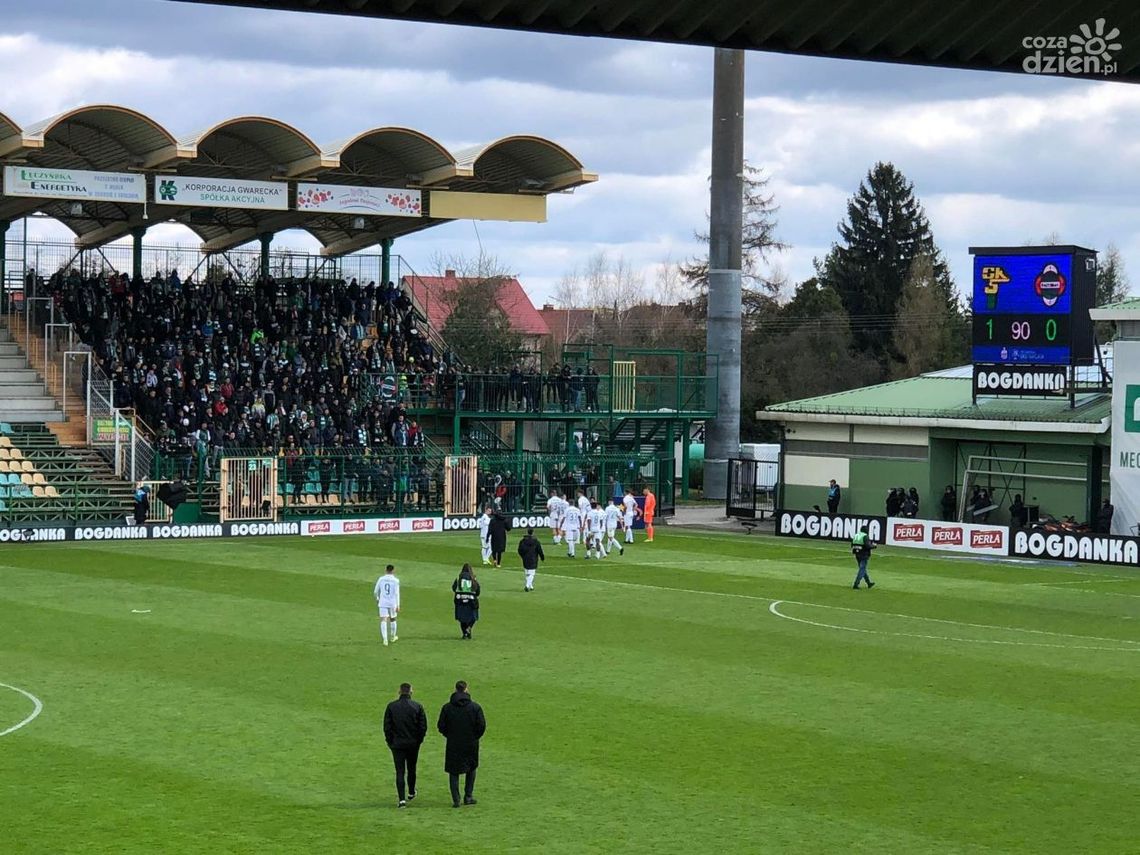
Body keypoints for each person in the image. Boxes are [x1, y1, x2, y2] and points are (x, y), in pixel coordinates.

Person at [437, 680, 486, 808]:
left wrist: (450, 735)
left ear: (455, 689)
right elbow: (481, 726)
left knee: (454, 771)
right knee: (471, 768)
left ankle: (456, 799)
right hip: (471, 743)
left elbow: (441, 725)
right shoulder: (475, 707)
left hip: (453, 743)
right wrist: (474, 737)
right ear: (466, 689)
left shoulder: (447, 707)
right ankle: (468, 796)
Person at [383, 682, 427, 809]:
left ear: (399, 691)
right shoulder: (417, 706)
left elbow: (387, 727)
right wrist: (418, 740)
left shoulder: (392, 707)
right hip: (413, 743)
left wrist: (390, 741)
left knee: (400, 771)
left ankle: (402, 799)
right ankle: (411, 792)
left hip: (397, 744)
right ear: (411, 692)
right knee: (412, 768)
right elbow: (422, 727)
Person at [374, 564, 401, 646]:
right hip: (392, 602)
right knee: (393, 619)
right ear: (393, 571)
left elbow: (375, 591)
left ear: (385, 570)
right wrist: (398, 605)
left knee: (383, 620)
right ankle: (392, 637)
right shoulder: (396, 580)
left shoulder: (381, 579)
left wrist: (377, 598)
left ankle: (385, 640)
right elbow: (397, 593)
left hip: (383, 602)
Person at [452, 563, 481, 639]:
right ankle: (469, 629)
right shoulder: (473, 578)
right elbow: (477, 591)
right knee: (473, 617)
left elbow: (454, 588)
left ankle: (465, 634)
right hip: (471, 600)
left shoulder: (459, 578)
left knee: (462, 618)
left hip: (460, 600)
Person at [517, 526, 545, 592]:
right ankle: (527, 585)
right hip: (533, 558)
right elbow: (539, 550)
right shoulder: (536, 541)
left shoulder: (522, 541)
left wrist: (522, 556)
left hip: (525, 558)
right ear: (533, 532)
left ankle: (530, 585)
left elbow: (519, 550)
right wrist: (542, 557)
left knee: (527, 573)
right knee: (532, 573)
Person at [851, 525, 876, 590]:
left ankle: (868, 583)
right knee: (862, 569)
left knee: (862, 569)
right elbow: (868, 546)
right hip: (864, 554)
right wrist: (874, 546)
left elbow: (852, 544)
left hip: (857, 554)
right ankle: (856, 584)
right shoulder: (865, 536)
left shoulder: (856, 535)